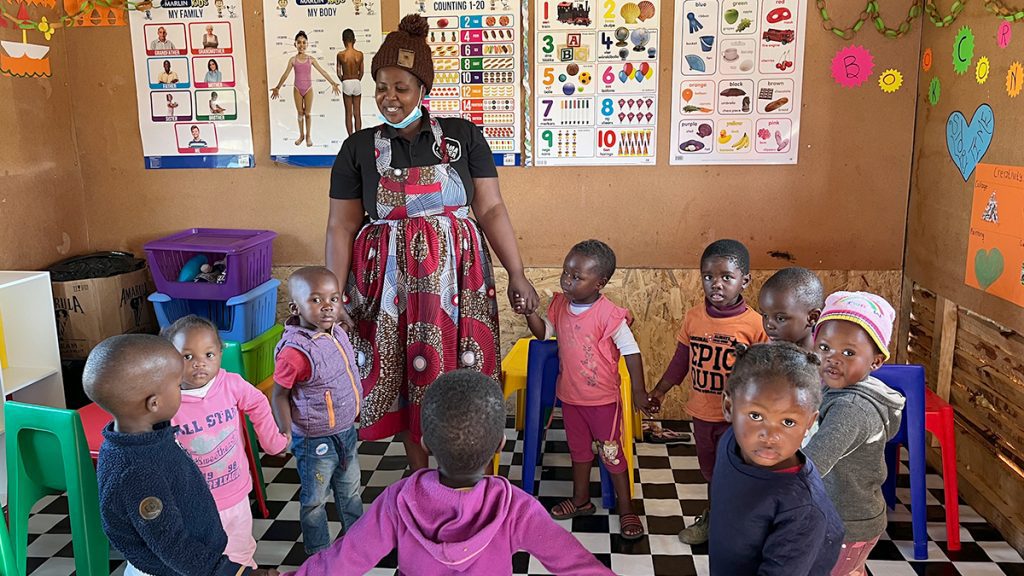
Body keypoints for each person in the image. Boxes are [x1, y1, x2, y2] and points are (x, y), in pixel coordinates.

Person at [326, 13, 539, 472]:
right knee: (403, 373)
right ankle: (422, 475)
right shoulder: (358, 148)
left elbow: (491, 209)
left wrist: (516, 273)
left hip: (457, 285)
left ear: (423, 89)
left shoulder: (463, 135)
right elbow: (340, 227)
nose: (389, 98)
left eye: (401, 87)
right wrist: (333, 293)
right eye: (381, 87)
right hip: (388, 289)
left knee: (459, 372)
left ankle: (466, 474)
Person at [284, 370, 615, 576]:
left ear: (426, 445)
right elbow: (574, 562)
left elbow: (345, 559)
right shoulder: (515, 506)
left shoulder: (399, 500)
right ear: (500, 444)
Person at [82, 335, 278, 576]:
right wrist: (237, 574)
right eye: (177, 385)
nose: (181, 389)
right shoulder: (138, 471)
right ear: (154, 403)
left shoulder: (137, 439)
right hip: (176, 570)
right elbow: (173, 547)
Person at [518, 240, 648, 540]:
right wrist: (529, 313)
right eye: (566, 272)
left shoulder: (609, 314)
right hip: (571, 398)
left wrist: (639, 392)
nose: (568, 280)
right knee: (578, 454)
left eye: (578, 277)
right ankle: (581, 500)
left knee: (612, 455)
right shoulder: (560, 305)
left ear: (600, 282)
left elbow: (631, 351)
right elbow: (544, 334)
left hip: (603, 401)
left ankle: (626, 508)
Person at [647, 238, 769, 545]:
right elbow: (680, 361)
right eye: (708, 277)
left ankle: (741, 527)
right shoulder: (694, 317)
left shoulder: (755, 325)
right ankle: (714, 518)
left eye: (726, 277)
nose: (716, 284)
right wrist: (660, 391)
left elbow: (767, 377)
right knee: (712, 473)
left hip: (738, 421)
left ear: (745, 280)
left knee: (738, 472)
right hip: (702, 415)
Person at [164, 315, 289, 568]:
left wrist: (273, 441)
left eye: (209, 355)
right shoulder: (166, 400)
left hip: (235, 495)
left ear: (220, 353)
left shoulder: (230, 384)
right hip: (192, 504)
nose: (200, 363)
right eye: (187, 357)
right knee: (198, 562)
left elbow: (257, 402)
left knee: (241, 554)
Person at [710, 342, 844, 575]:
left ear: (810, 423)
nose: (770, 436)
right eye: (755, 415)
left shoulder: (803, 509)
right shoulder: (731, 443)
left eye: (788, 422)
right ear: (729, 407)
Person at [804, 292, 905, 576]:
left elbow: (811, 463)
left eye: (848, 353)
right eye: (824, 348)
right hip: (845, 517)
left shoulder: (851, 408)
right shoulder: (833, 388)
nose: (832, 359)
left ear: (875, 362)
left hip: (847, 525)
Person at [272, 267, 363, 555]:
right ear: (295, 307)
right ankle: (319, 554)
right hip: (315, 442)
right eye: (315, 300)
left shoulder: (336, 332)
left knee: (350, 493)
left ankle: (358, 544)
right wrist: (285, 430)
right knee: (315, 501)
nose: (327, 306)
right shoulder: (294, 352)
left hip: (345, 432)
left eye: (334, 299)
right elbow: (279, 394)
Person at [271, 31, 340, 146]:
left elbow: (322, 71)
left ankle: (308, 136)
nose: (301, 45)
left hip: (308, 89)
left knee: (307, 114)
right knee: (299, 113)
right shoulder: (292, 60)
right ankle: (301, 135)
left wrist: (332, 83)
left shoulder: (311, 59)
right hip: (297, 89)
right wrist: (278, 87)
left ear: (307, 44)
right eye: (299, 42)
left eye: (304, 42)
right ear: (295, 44)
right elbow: (285, 74)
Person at [758, 267, 824, 351]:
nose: (769, 325)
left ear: (812, 318)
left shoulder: (826, 361)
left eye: (780, 318)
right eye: (765, 315)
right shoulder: (763, 358)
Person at [336, 28, 364, 136]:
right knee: (357, 113)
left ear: (343, 40)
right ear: (354, 40)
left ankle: (350, 137)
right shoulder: (360, 54)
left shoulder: (340, 55)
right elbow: (361, 72)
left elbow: (339, 72)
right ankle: (358, 137)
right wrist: (356, 80)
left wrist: (344, 81)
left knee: (348, 113)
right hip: (357, 82)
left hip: (346, 81)